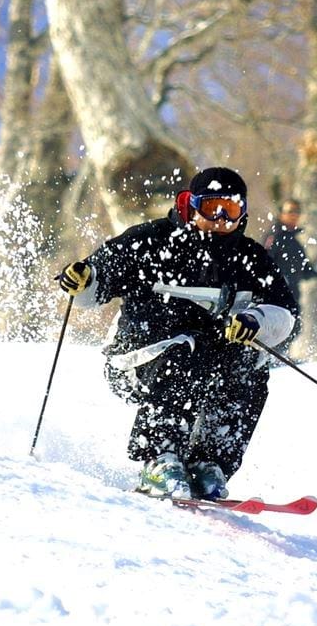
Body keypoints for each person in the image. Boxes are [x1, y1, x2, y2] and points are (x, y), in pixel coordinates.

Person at [58, 167, 298, 501]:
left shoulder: (249, 258)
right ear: (190, 205)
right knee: (189, 348)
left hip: (206, 361)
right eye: (210, 208)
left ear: (242, 213)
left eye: (229, 211)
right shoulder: (152, 241)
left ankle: (208, 462)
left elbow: (286, 315)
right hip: (137, 361)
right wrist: (85, 281)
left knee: (249, 362)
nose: (218, 219)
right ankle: (158, 458)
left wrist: (254, 321)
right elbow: (97, 281)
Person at [262, 198, 317, 348]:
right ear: (281, 214)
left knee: (293, 330)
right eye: (290, 211)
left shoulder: (295, 242)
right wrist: (279, 283)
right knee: (280, 335)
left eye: (297, 212)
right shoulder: (275, 237)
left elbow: (305, 272)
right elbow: (263, 264)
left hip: (293, 297)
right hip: (276, 299)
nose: (294, 215)